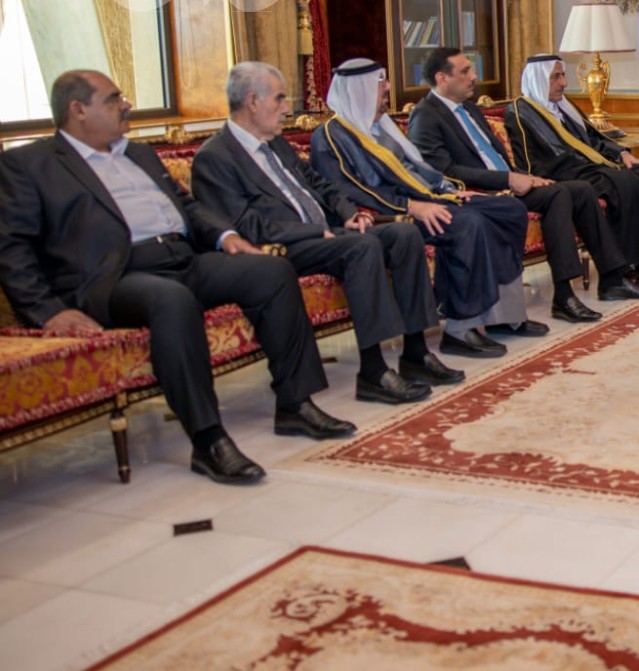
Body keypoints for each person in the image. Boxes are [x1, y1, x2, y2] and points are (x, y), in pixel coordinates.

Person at [0, 71, 355, 486]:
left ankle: (295, 404)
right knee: (172, 300)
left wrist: (226, 237)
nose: (126, 105)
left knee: (271, 271)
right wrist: (48, 312)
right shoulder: (30, 164)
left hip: (183, 257)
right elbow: (11, 247)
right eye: (114, 99)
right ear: (78, 110)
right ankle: (208, 439)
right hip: (115, 277)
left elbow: (188, 207)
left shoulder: (139, 153)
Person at [192, 62, 465, 407]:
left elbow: (320, 185)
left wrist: (349, 213)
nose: (286, 108)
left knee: (404, 234)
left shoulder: (277, 144)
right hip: (284, 247)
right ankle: (374, 371)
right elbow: (247, 226)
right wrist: (316, 231)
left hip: (327, 233)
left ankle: (416, 352)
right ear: (252, 102)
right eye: (279, 99)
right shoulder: (215, 157)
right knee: (362, 247)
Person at [311, 58, 548, 360]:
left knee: (508, 209)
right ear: (359, 90)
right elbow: (352, 193)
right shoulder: (331, 136)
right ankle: (460, 329)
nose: (387, 88)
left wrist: (449, 191)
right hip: (389, 213)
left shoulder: (381, 127)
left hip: (426, 198)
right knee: (467, 223)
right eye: (380, 84)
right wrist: (413, 207)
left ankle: (503, 316)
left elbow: (418, 169)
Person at [407, 48, 639, 320]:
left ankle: (612, 279)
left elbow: (495, 156)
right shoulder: (426, 116)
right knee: (558, 194)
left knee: (581, 190)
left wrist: (521, 176)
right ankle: (564, 295)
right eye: (465, 71)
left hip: (508, 183)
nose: (474, 76)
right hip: (481, 193)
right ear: (442, 78)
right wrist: (509, 179)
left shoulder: (469, 108)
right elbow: (444, 171)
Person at [508, 55, 639, 274]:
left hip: (594, 166)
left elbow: (594, 138)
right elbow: (531, 161)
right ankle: (626, 264)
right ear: (538, 79)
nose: (563, 83)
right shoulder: (521, 111)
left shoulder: (564, 106)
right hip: (565, 174)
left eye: (563, 75)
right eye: (555, 77)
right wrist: (593, 164)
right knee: (625, 183)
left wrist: (621, 153)